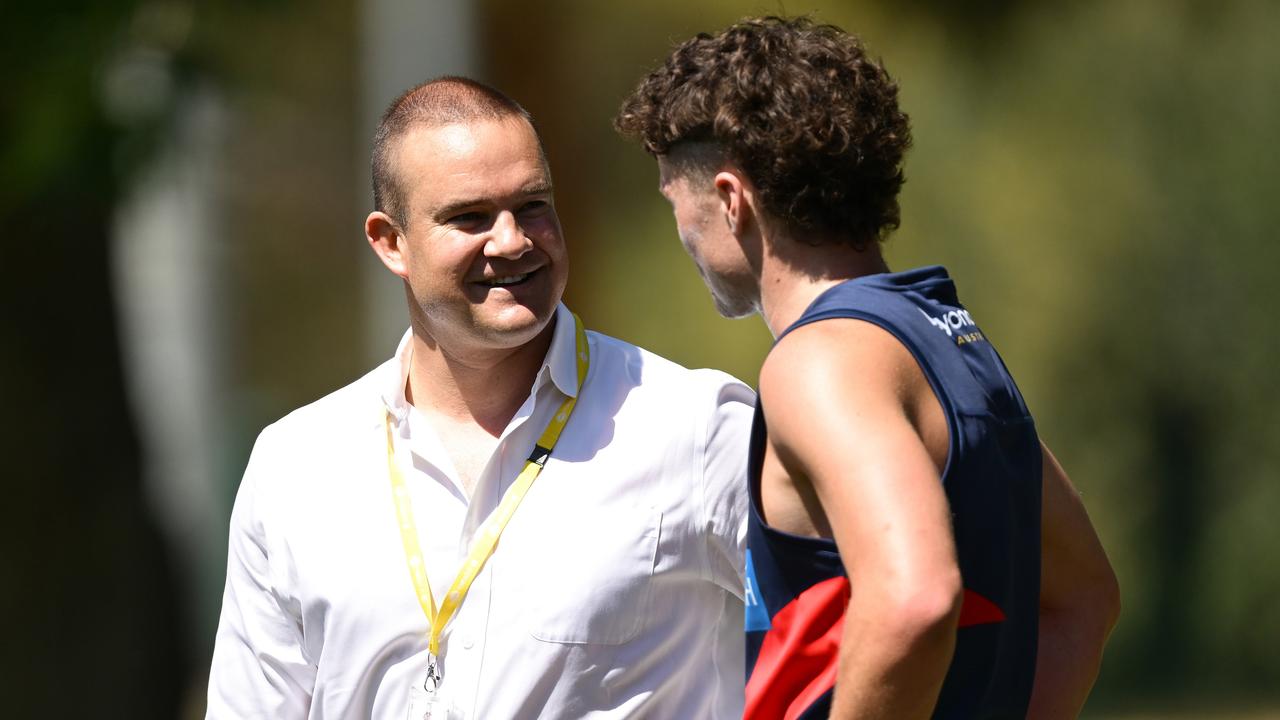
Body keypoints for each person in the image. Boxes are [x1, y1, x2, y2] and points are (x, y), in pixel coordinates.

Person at [615, 16, 1121, 720]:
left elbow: (915, 599)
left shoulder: (820, 363)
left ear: (732, 201)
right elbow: (1083, 600)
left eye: (677, 202)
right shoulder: (948, 339)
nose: (683, 236)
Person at [207, 77, 754, 719]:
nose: (513, 240)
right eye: (469, 217)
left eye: (532, 206)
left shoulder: (694, 426)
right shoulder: (294, 465)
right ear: (391, 242)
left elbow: (857, 617)